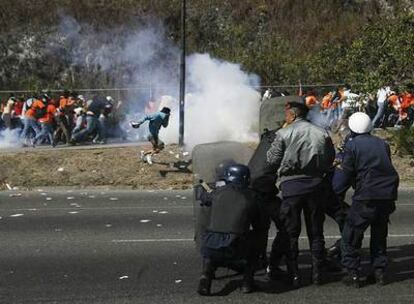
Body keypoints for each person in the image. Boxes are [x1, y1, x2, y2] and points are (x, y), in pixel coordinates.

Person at [266, 101, 335, 287]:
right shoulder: (321, 132)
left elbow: (272, 160)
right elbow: (330, 158)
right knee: (316, 232)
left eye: (287, 114)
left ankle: (294, 274)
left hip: (291, 187)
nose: (285, 118)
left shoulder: (283, 133)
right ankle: (318, 274)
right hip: (316, 186)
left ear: (293, 115)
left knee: (290, 233)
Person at [334, 112, 399, 288]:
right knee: (379, 235)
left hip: (366, 196)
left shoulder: (352, 146)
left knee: (351, 235)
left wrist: (336, 192)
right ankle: (379, 272)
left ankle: (353, 273)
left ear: (353, 128)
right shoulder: (382, 143)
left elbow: (345, 173)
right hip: (386, 195)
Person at [196, 164, 261, 296]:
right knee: (256, 239)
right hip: (235, 245)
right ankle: (247, 282)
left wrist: (210, 192)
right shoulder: (252, 196)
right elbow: (259, 224)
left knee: (210, 240)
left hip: (210, 245)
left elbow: (203, 197)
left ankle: (205, 277)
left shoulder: (217, 193)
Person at [247, 128, 289, 280]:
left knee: (260, 230)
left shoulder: (269, 137)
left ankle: (256, 266)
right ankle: (273, 266)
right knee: (286, 225)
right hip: (263, 191)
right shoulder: (282, 140)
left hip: (253, 190)